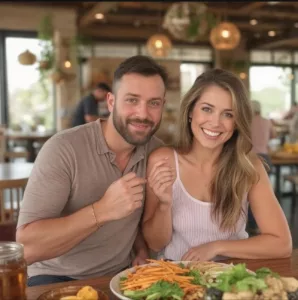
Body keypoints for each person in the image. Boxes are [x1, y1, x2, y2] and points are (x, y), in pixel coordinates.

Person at [16, 55, 168, 286]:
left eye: (154, 103)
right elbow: (27, 249)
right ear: (110, 102)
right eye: (132, 100)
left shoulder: (158, 152)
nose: (143, 114)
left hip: (121, 276)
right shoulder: (63, 149)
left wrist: (140, 248)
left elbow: (138, 223)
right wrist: (102, 210)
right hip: (55, 277)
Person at [142, 68, 292, 262]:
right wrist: (164, 205)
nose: (215, 123)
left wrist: (216, 247)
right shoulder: (163, 160)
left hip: (230, 282)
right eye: (207, 109)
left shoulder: (249, 166)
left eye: (228, 114)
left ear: (237, 122)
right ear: (190, 112)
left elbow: (282, 244)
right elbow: (154, 244)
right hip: (176, 280)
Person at [251, 100, 276, 172]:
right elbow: (274, 135)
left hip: (249, 157)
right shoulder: (267, 121)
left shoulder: (246, 122)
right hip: (264, 157)